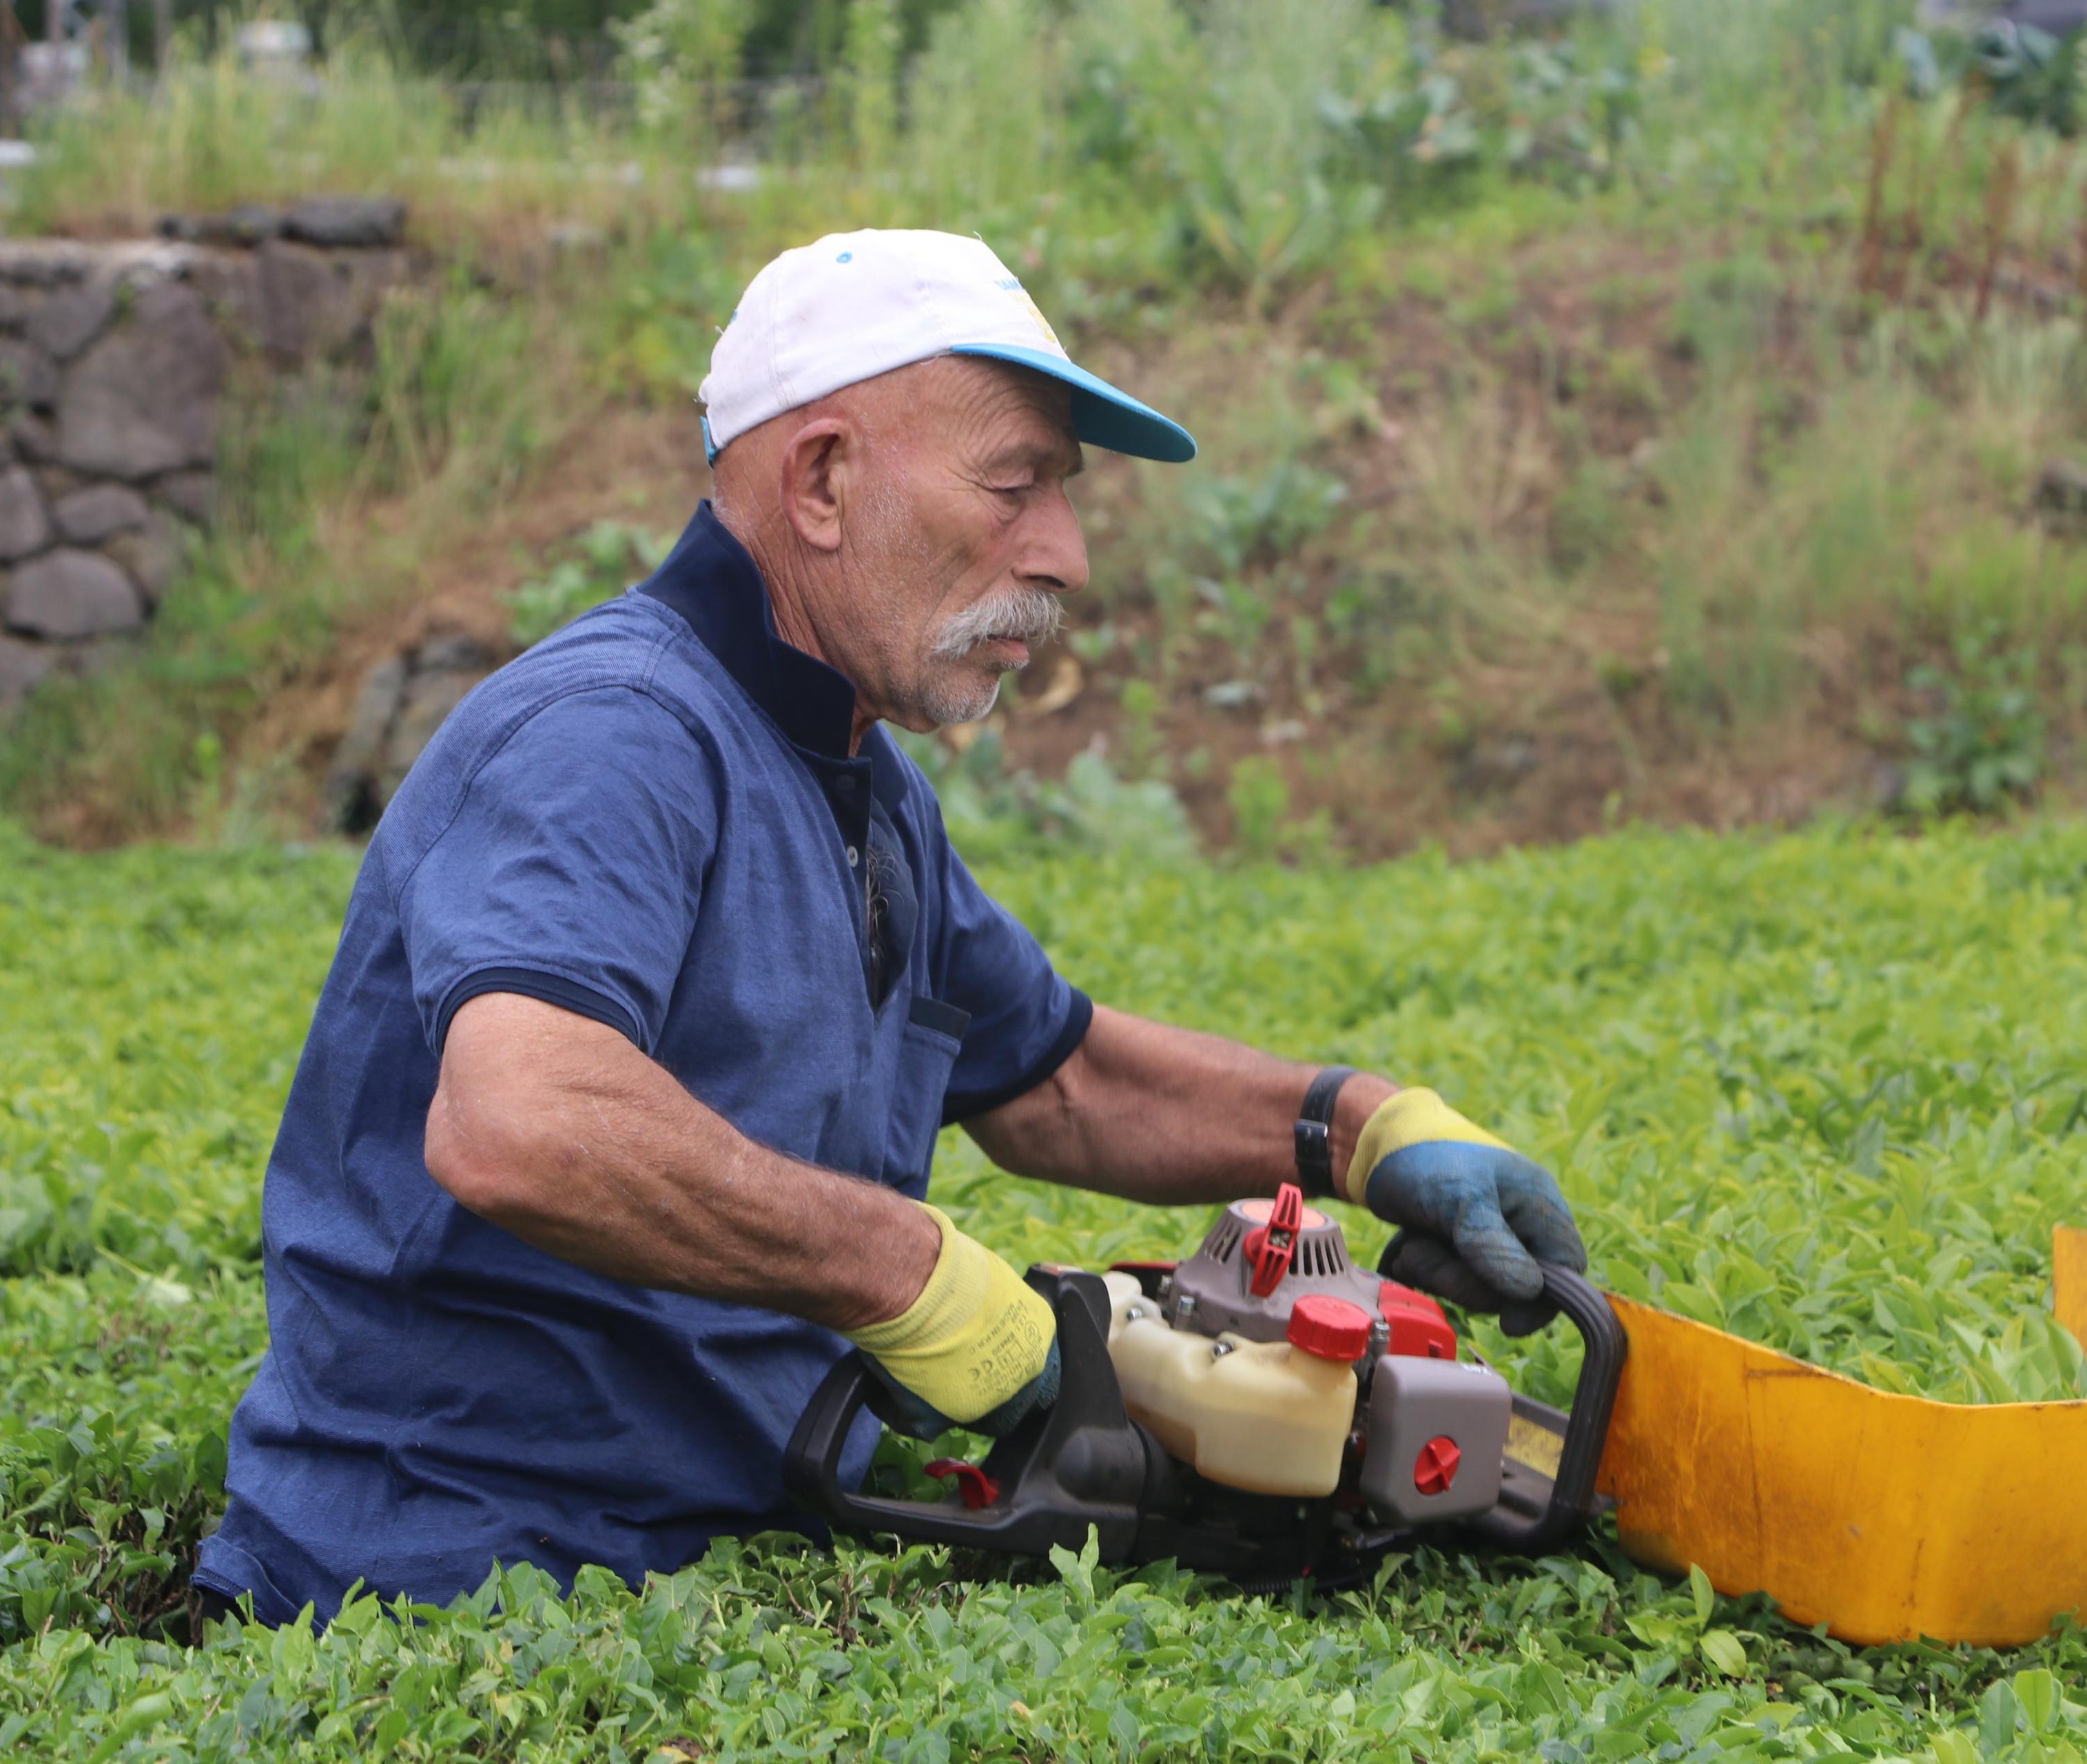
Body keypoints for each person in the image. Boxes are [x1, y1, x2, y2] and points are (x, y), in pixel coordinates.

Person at [192, 229, 1585, 1626]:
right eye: (1016, 484)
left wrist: (1361, 1127)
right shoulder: (612, 735)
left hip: (733, 1555)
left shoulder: (857, 779)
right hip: (452, 1586)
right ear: (823, 479)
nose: (1067, 553)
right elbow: (526, 1119)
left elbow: (1059, 1075)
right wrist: (919, 1280)